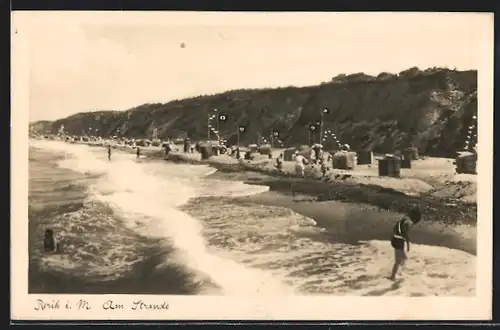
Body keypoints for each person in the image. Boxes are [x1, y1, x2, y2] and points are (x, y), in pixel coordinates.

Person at [389, 205, 422, 281]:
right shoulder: (408, 222)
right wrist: (407, 241)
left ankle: (400, 272)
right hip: (398, 240)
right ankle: (392, 277)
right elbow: (404, 230)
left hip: (396, 239)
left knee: (403, 258)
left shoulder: (404, 218)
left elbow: (396, 228)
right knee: (398, 261)